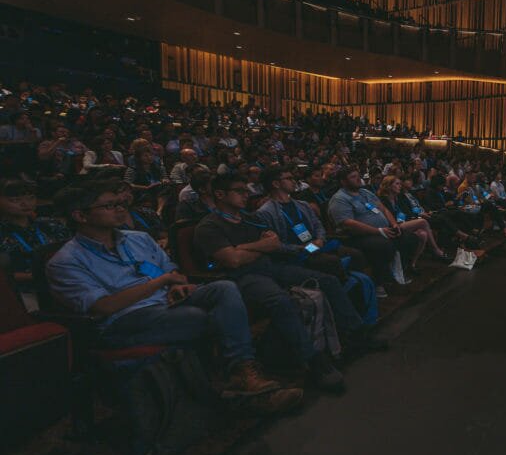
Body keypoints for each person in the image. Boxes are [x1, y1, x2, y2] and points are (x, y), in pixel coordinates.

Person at [45, 180, 301, 413]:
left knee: (224, 288)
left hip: (165, 301)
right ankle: (233, 384)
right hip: (125, 320)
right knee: (199, 316)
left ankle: (241, 372)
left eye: (121, 203)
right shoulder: (66, 261)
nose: (121, 209)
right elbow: (104, 306)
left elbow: (172, 272)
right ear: (80, 215)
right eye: (110, 205)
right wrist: (163, 282)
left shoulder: (138, 239)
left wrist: (176, 285)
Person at [192, 174, 352, 392]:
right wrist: (260, 246)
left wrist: (245, 248)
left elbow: (274, 244)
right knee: (280, 300)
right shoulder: (209, 226)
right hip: (242, 277)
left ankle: (355, 333)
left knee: (328, 280)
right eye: (239, 190)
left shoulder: (250, 217)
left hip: (271, 266)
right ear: (220, 194)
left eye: (246, 190)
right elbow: (233, 260)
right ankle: (313, 361)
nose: (246, 194)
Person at [328, 165, 419, 296]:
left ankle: (396, 273)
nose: (358, 179)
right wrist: (378, 231)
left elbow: (384, 209)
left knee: (409, 238)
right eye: (353, 177)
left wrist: (394, 225)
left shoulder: (365, 193)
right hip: (357, 236)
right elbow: (348, 223)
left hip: (382, 230)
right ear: (343, 181)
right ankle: (378, 283)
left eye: (358, 175)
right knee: (384, 245)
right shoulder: (339, 199)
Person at [0, 179, 71, 301]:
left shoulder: (51, 225)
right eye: (15, 200)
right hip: (20, 291)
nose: (25, 204)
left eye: (31, 198)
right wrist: (36, 276)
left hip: (66, 281)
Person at [377, 175, 449, 269]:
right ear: (389, 186)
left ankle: (412, 264)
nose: (400, 186)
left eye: (400, 183)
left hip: (404, 222)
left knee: (423, 234)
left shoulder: (397, 198)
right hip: (394, 226)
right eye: (397, 184)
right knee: (422, 221)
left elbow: (405, 213)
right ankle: (436, 250)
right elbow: (388, 218)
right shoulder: (383, 200)